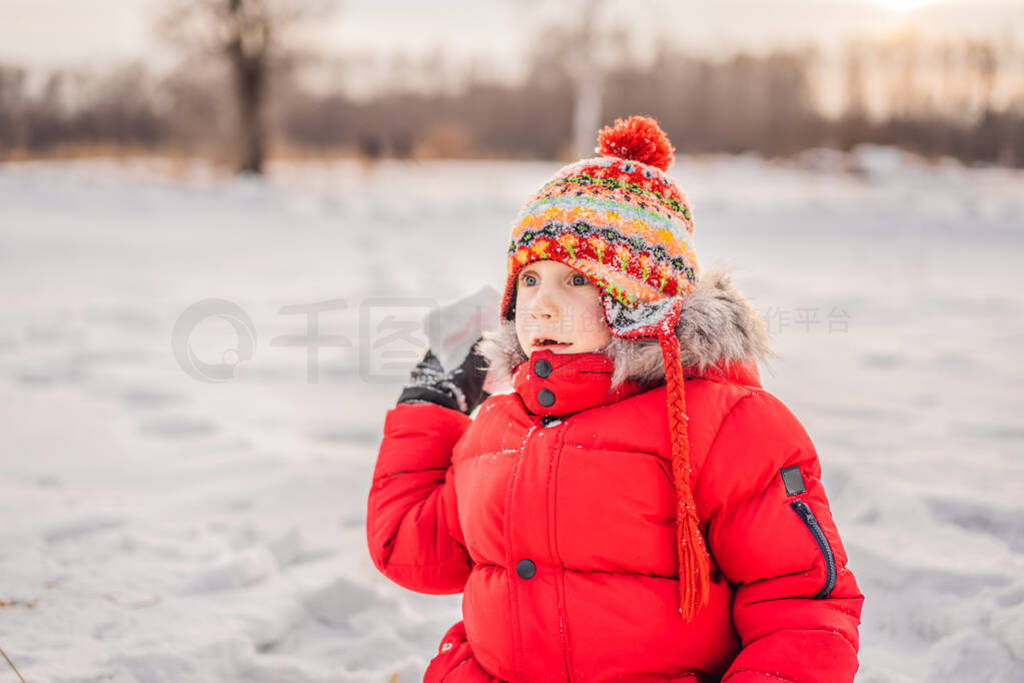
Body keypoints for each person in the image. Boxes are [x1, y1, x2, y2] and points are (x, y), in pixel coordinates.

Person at [366, 115, 864, 682]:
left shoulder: (724, 425)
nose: (541, 306)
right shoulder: (503, 426)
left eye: (575, 280)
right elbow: (407, 546)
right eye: (529, 279)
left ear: (643, 299)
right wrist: (429, 400)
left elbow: (803, 609)